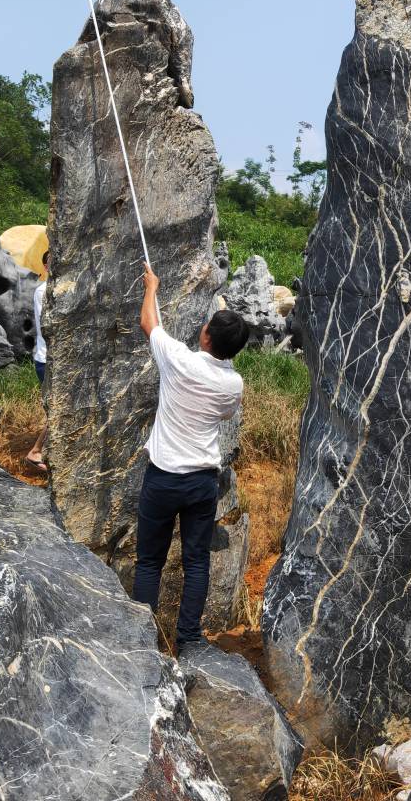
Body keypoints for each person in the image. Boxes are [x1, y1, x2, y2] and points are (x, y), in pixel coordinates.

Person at [132, 262, 249, 650]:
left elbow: (148, 323)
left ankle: (144, 642)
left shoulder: (179, 359)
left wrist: (152, 286)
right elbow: (225, 415)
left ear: (206, 335)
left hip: (164, 477)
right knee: (196, 561)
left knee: (150, 561)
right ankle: (188, 639)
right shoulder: (233, 384)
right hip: (201, 482)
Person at [25, 250, 49, 469]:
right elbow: (48, 328)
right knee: (57, 411)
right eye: (51, 263)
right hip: (46, 360)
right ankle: (35, 451)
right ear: (45, 267)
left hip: (49, 359)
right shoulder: (43, 291)